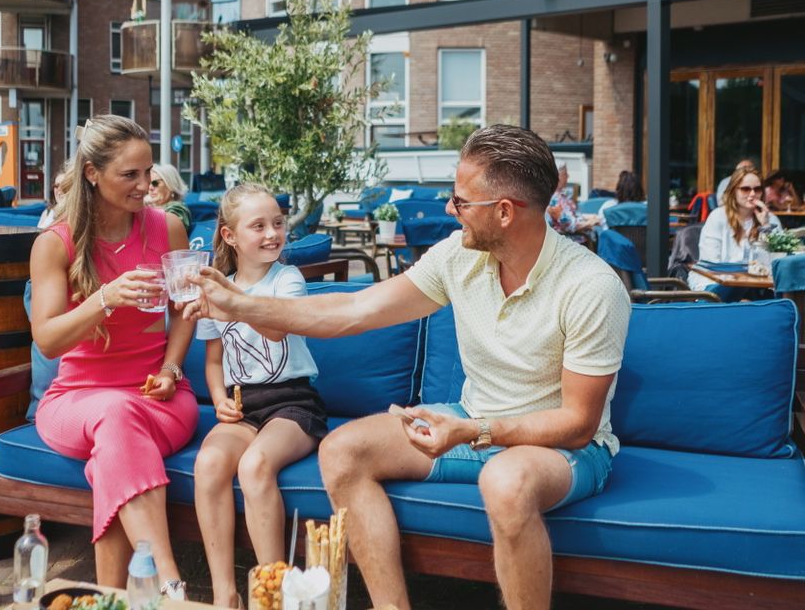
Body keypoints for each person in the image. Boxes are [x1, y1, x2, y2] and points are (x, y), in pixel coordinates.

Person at [180, 125, 631, 610]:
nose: (447, 210)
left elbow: (578, 424)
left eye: (460, 202)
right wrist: (242, 305)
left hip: (560, 447)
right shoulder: (458, 257)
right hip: (471, 420)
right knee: (343, 450)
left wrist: (474, 429)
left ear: (504, 213)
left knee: (506, 481)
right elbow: (354, 311)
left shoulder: (590, 286)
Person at [29, 115, 198, 597]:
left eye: (149, 173)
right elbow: (48, 340)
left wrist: (170, 368)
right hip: (77, 400)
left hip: (161, 399)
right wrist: (105, 298)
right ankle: (169, 585)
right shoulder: (53, 244)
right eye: (131, 175)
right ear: (91, 172)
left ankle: (113, 600)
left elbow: (184, 310)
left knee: (115, 445)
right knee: (114, 417)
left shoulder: (166, 228)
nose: (146, 185)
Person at [193, 183, 327, 608]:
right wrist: (217, 398)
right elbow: (213, 361)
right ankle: (224, 594)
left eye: (278, 223)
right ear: (230, 236)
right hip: (243, 404)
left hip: (293, 401)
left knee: (254, 465)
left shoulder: (287, 279)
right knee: (210, 462)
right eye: (259, 226)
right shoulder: (219, 286)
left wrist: (228, 305)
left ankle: (272, 592)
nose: (273, 233)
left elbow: (278, 327)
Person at [688, 165, 781, 301]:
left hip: (758, 288)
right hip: (717, 284)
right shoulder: (718, 216)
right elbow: (712, 263)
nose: (752, 194)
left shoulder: (771, 219)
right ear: (734, 191)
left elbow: (774, 264)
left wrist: (765, 227)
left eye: (757, 189)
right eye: (745, 189)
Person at [146, 164, 192, 232]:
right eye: (148, 183)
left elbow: (163, 231)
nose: (150, 188)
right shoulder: (146, 205)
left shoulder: (177, 209)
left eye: (155, 183)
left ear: (170, 185)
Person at [38, 160, 72, 229]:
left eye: (63, 185)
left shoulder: (75, 215)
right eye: (56, 186)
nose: (59, 189)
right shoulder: (47, 212)